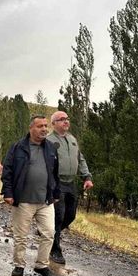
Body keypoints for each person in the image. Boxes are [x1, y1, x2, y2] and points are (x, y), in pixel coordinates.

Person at [1, 115, 60, 276]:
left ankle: (42, 265)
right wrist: (8, 192)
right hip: (23, 200)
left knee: (49, 233)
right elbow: (8, 172)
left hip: (45, 201)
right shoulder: (18, 147)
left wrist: (56, 193)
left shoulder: (51, 148)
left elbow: (55, 173)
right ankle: (19, 265)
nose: (44, 129)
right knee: (21, 235)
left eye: (45, 126)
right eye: (40, 126)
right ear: (31, 128)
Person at [46, 111, 93, 265]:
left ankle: (50, 231)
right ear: (54, 123)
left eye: (67, 119)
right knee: (58, 216)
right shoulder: (48, 141)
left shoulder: (72, 139)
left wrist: (87, 177)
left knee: (70, 215)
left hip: (71, 183)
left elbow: (80, 159)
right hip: (56, 183)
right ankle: (55, 250)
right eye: (61, 119)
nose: (66, 121)